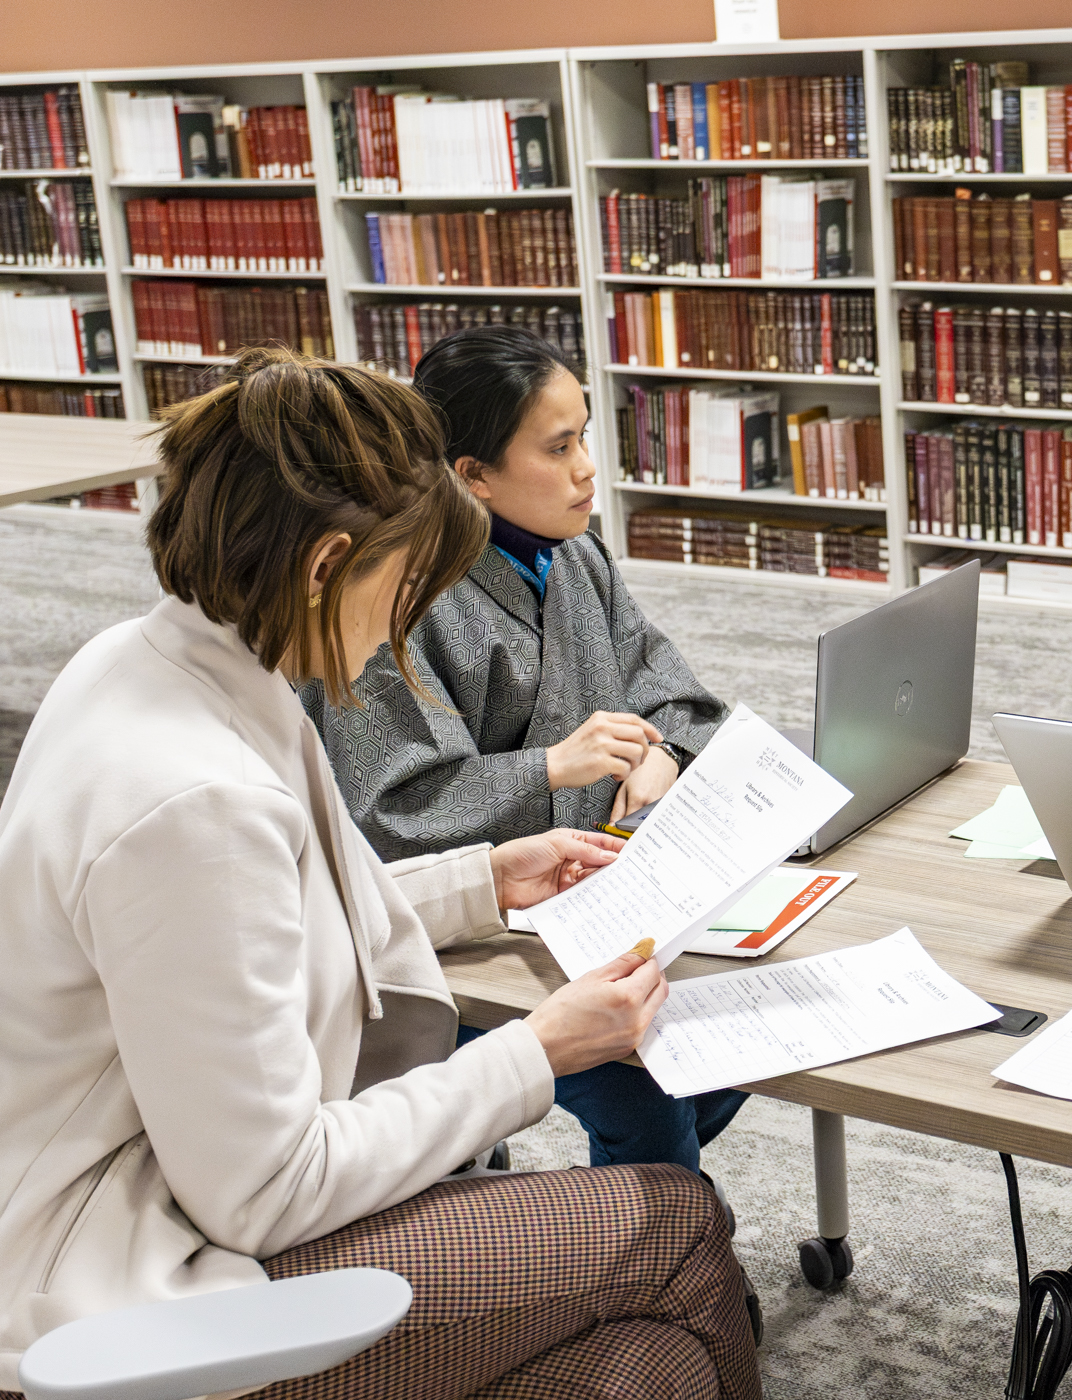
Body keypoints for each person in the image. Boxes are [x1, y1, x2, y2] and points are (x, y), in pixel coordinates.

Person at [0, 348, 758, 1399]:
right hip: (131, 1280)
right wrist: (537, 1050)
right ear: (326, 567)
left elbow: (249, 924)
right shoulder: (193, 799)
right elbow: (267, 1189)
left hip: (161, 1191)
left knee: (648, 1365)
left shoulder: (157, 666)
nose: (406, 628)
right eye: (407, 588)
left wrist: (481, 876)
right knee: (675, 1222)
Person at [302, 325, 746, 1174]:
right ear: (470, 476)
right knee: (648, 1089)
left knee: (730, 1042)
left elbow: (673, 691)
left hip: (601, 892)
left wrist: (666, 757)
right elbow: (396, 809)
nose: (587, 467)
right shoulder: (393, 598)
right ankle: (658, 1262)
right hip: (471, 930)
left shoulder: (575, 553)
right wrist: (548, 767)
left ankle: (635, 1223)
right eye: (560, 446)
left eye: (586, 435)